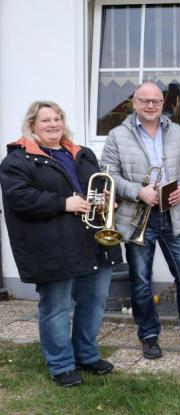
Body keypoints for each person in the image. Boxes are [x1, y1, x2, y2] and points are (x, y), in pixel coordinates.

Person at [0, 101, 123, 387]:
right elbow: (20, 199)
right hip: (54, 247)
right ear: (32, 125)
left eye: (57, 118)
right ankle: (61, 365)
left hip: (93, 242)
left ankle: (86, 355)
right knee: (56, 308)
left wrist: (107, 200)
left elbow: (97, 186)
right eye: (46, 120)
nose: (53, 124)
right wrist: (63, 203)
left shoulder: (81, 153)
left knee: (94, 303)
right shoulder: (17, 161)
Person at [102, 81, 180, 359]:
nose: (150, 105)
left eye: (156, 101)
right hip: (137, 218)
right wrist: (137, 191)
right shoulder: (117, 135)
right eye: (144, 100)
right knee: (141, 281)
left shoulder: (177, 132)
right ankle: (149, 335)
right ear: (134, 103)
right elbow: (108, 174)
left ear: (163, 103)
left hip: (174, 215)